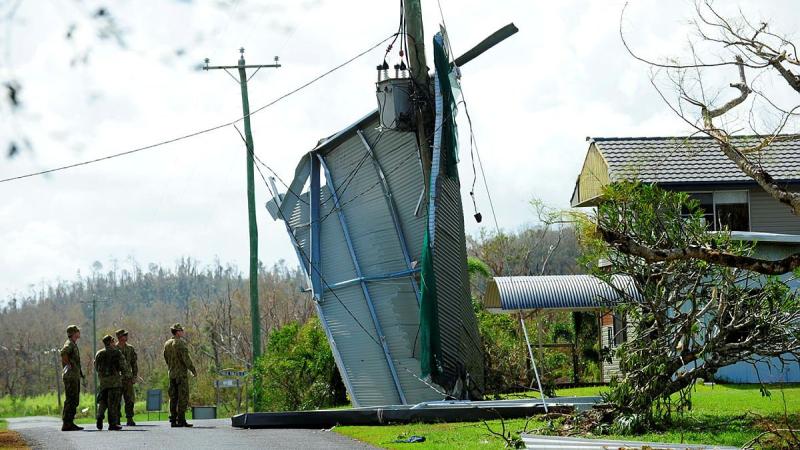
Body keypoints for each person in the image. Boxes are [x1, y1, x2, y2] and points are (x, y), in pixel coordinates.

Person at [94, 335, 131, 431]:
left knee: (103, 401)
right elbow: (123, 366)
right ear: (110, 342)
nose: (114, 343)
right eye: (113, 341)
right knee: (113, 404)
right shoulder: (116, 353)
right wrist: (127, 376)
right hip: (114, 382)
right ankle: (112, 424)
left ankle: (99, 415)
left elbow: (96, 367)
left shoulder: (99, 353)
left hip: (103, 382)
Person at [163, 323, 196, 428]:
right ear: (177, 332)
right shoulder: (180, 343)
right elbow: (186, 359)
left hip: (171, 374)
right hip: (181, 375)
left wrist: (171, 368)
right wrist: (193, 370)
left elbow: (166, 359)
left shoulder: (167, 343)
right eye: (181, 330)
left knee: (173, 397)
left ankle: (173, 419)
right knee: (183, 397)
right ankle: (181, 419)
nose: (182, 332)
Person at [60, 325, 84, 431]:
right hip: (70, 377)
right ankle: (67, 423)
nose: (79, 333)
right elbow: (63, 353)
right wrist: (68, 364)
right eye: (78, 331)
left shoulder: (73, 344)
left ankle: (70, 422)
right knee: (71, 399)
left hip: (74, 376)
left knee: (74, 400)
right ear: (74, 333)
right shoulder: (69, 343)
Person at [115, 328, 138, 426]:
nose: (126, 337)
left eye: (126, 335)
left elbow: (134, 363)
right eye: (124, 335)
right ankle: (117, 419)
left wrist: (135, 376)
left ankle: (129, 418)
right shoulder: (114, 349)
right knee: (117, 400)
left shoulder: (130, 348)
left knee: (130, 399)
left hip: (128, 378)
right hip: (117, 379)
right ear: (120, 337)